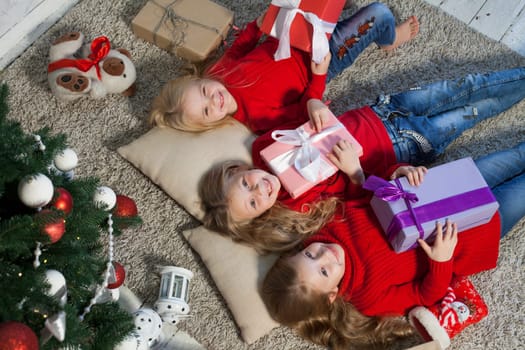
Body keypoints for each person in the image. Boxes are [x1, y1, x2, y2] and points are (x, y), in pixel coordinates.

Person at [199, 66, 525, 253]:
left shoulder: (263, 146)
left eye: (246, 184)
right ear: (261, 216)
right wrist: (355, 171)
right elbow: (365, 197)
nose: (260, 190)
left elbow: (299, 107)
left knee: (467, 86)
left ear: (238, 169)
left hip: (379, 111)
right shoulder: (298, 205)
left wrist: (313, 105)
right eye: (254, 203)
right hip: (403, 148)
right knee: (475, 110)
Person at [260, 141, 525, 350]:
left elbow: (369, 194)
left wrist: (394, 174)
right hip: (475, 231)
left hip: (446, 187)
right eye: (324, 271)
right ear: (331, 295)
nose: (325, 255)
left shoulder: (329, 228)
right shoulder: (368, 298)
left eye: (310, 254)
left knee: (513, 156)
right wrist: (441, 261)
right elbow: (425, 296)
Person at [149, 2, 420, 134]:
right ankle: (389, 39)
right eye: (207, 110)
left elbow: (239, 48)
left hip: (292, 30)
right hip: (324, 56)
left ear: (201, 79)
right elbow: (305, 107)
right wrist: (319, 75)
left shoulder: (220, 72)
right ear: (209, 124)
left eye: (206, 90)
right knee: (380, 13)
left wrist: (258, 25)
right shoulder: (257, 118)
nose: (215, 99)